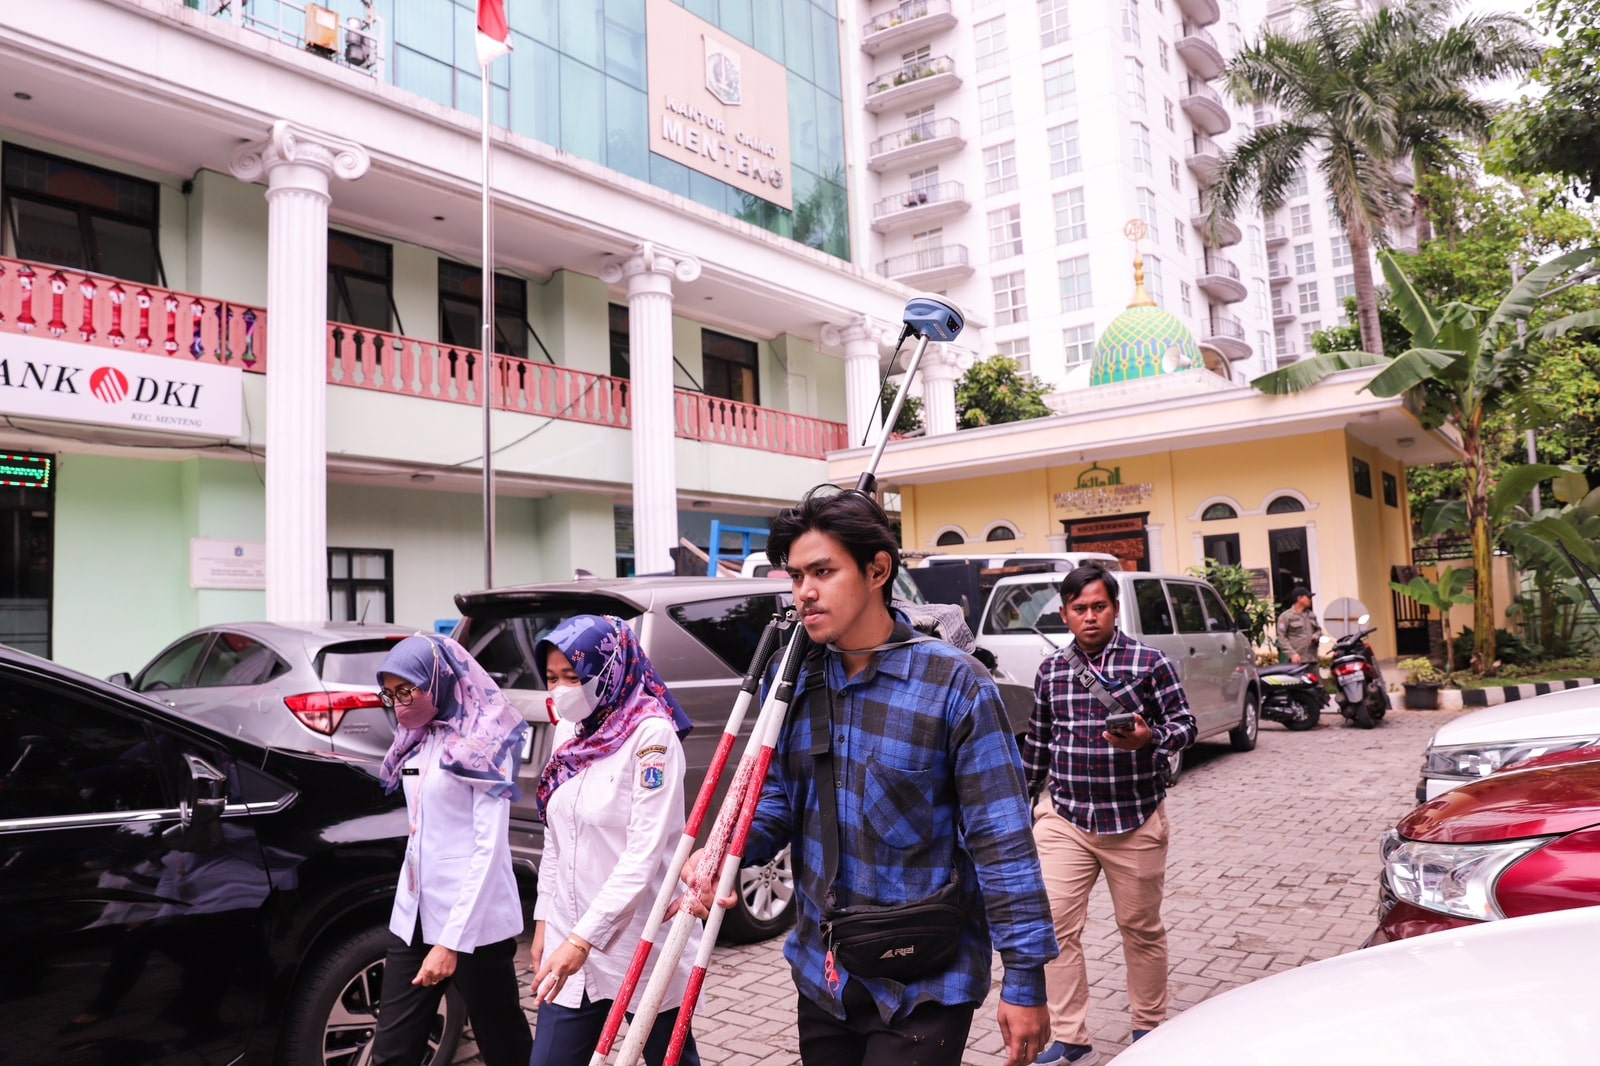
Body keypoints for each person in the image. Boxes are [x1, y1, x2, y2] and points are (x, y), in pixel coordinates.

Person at [684, 486, 1057, 1066]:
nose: (804, 592)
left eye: (823, 572)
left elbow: (1001, 839)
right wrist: (724, 853)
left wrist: (1025, 979)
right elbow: (780, 797)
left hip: (925, 977)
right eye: (796, 576)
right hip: (825, 971)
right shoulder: (794, 678)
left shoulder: (954, 684)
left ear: (878, 570)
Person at [1023, 566, 1198, 1065]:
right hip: (1066, 818)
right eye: (1079, 609)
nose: (1090, 617)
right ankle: (1070, 1038)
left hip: (1134, 818)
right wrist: (1018, 800)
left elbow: (1185, 724)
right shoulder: (1051, 671)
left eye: (1098, 606)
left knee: (1140, 929)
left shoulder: (1150, 662)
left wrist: (1150, 738)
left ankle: (1149, 1029)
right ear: (1064, 614)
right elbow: (1038, 742)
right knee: (1055, 927)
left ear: (1115, 610)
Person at [527, 614, 704, 1066]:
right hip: (569, 938)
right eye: (552, 678)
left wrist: (583, 939)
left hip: (638, 938)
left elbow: (643, 855)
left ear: (610, 669)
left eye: (573, 677)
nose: (562, 690)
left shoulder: (652, 737)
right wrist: (545, 919)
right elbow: (556, 838)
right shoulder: (571, 731)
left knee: (669, 1058)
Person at [370, 634, 532, 1066]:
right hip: (414, 915)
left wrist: (451, 942)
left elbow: (488, 848)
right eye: (390, 693)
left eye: (407, 690)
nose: (399, 704)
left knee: (504, 1045)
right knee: (392, 1050)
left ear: (437, 681)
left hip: (474, 924)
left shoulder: (485, 742)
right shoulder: (416, 738)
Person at [1277, 586, 1323, 666]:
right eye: (1308, 597)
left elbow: (1318, 630)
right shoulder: (1286, 616)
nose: (1310, 600)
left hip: (1312, 659)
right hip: (1297, 660)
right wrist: (1292, 654)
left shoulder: (1311, 615)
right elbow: (1281, 637)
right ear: (1300, 598)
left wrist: (1316, 635)